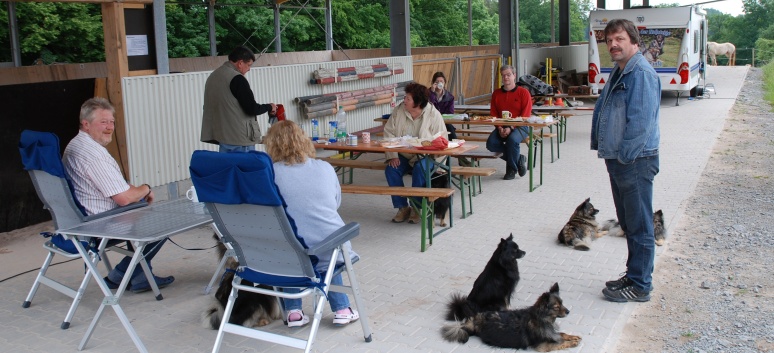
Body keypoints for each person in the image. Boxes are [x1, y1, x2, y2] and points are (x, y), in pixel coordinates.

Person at [62, 97, 174, 293]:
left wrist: (136, 192)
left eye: (112, 121)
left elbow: (116, 185)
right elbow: (122, 198)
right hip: (101, 222)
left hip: (83, 218)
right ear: (86, 124)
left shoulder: (77, 143)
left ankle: (139, 277)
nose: (110, 127)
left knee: (142, 207)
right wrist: (145, 189)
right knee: (165, 222)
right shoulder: (93, 155)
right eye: (103, 122)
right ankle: (120, 274)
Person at [263, 120, 360, 327]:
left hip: (290, 253)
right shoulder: (324, 167)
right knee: (328, 244)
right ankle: (342, 309)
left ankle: (293, 312)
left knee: (289, 247)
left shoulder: (269, 174)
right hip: (328, 248)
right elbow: (335, 203)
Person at [591, 19, 660, 303]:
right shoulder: (621, 71)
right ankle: (633, 274)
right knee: (629, 223)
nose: (613, 45)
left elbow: (640, 125)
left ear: (634, 41)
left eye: (618, 38)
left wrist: (624, 158)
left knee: (640, 225)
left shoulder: (640, 73)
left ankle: (641, 285)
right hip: (620, 160)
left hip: (634, 161)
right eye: (608, 41)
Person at [383, 82, 447, 224]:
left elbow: (442, 139)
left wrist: (431, 151)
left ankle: (417, 208)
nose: (404, 101)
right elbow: (388, 133)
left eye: (408, 98)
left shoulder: (433, 114)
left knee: (420, 169)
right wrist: (392, 156)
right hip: (405, 154)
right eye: (405, 97)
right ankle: (402, 207)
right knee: (391, 169)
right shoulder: (399, 111)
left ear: (418, 102)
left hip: (428, 156)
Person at [201, 46, 278, 153]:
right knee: (244, 169)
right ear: (240, 63)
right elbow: (252, 108)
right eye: (249, 65)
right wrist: (269, 106)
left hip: (223, 137)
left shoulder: (214, 76)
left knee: (229, 168)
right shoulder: (237, 78)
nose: (249, 69)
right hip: (240, 139)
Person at [486, 65, 533, 180]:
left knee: (512, 140)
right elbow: (494, 114)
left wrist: (511, 127)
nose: (506, 77)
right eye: (503, 75)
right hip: (502, 125)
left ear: (514, 75)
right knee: (491, 144)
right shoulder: (496, 94)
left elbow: (526, 114)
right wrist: (500, 128)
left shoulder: (524, 93)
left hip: (521, 126)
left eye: (508, 75)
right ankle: (518, 159)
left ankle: (512, 169)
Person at [429, 72, 456, 140]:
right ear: (433, 83)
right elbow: (428, 107)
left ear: (444, 83)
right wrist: (432, 93)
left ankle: (454, 145)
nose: (439, 83)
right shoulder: (427, 94)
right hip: (430, 121)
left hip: (444, 121)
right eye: (437, 82)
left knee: (450, 129)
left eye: (441, 81)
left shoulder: (449, 97)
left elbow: (450, 112)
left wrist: (441, 117)